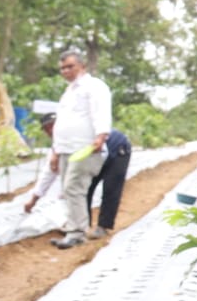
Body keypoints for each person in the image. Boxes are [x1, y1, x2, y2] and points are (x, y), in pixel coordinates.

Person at [42, 49, 113, 249]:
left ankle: (77, 233)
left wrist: (100, 136)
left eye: (70, 66)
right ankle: (73, 229)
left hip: (85, 147)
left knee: (74, 187)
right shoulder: (69, 91)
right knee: (68, 189)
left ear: (82, 66)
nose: (65, 71)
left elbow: (100, 112)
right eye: (62, 68)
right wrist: (56, 150)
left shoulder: (94, 86)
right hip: (66, 148)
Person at [23, 116, 129, 239]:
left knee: (110, 188)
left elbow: (101, 154)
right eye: (46, 129)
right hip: (92, 156)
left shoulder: (77, 136)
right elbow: (49, 173)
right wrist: (33, 200)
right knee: (81, 190)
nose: (50, 131)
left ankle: (103, 227)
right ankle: (82, 227)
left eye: (51, 126)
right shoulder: (59, 145)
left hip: (116, 149)